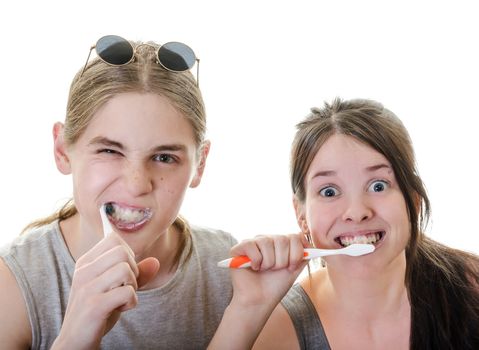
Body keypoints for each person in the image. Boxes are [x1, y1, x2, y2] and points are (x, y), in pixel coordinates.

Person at [0, 35, 236, 349]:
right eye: (110, 151)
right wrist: (73, 339)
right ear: (62, 149)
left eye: (164, 158)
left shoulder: (228, 269)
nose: (138, 184)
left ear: (200, 164)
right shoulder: (15, 284)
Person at [210, 98, 479, 349]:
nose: (357, 211)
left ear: (414, 201)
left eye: (378, 185)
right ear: (301, 215)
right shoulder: (282, 328)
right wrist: (249, 306)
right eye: (329, 191)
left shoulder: (471, 287)